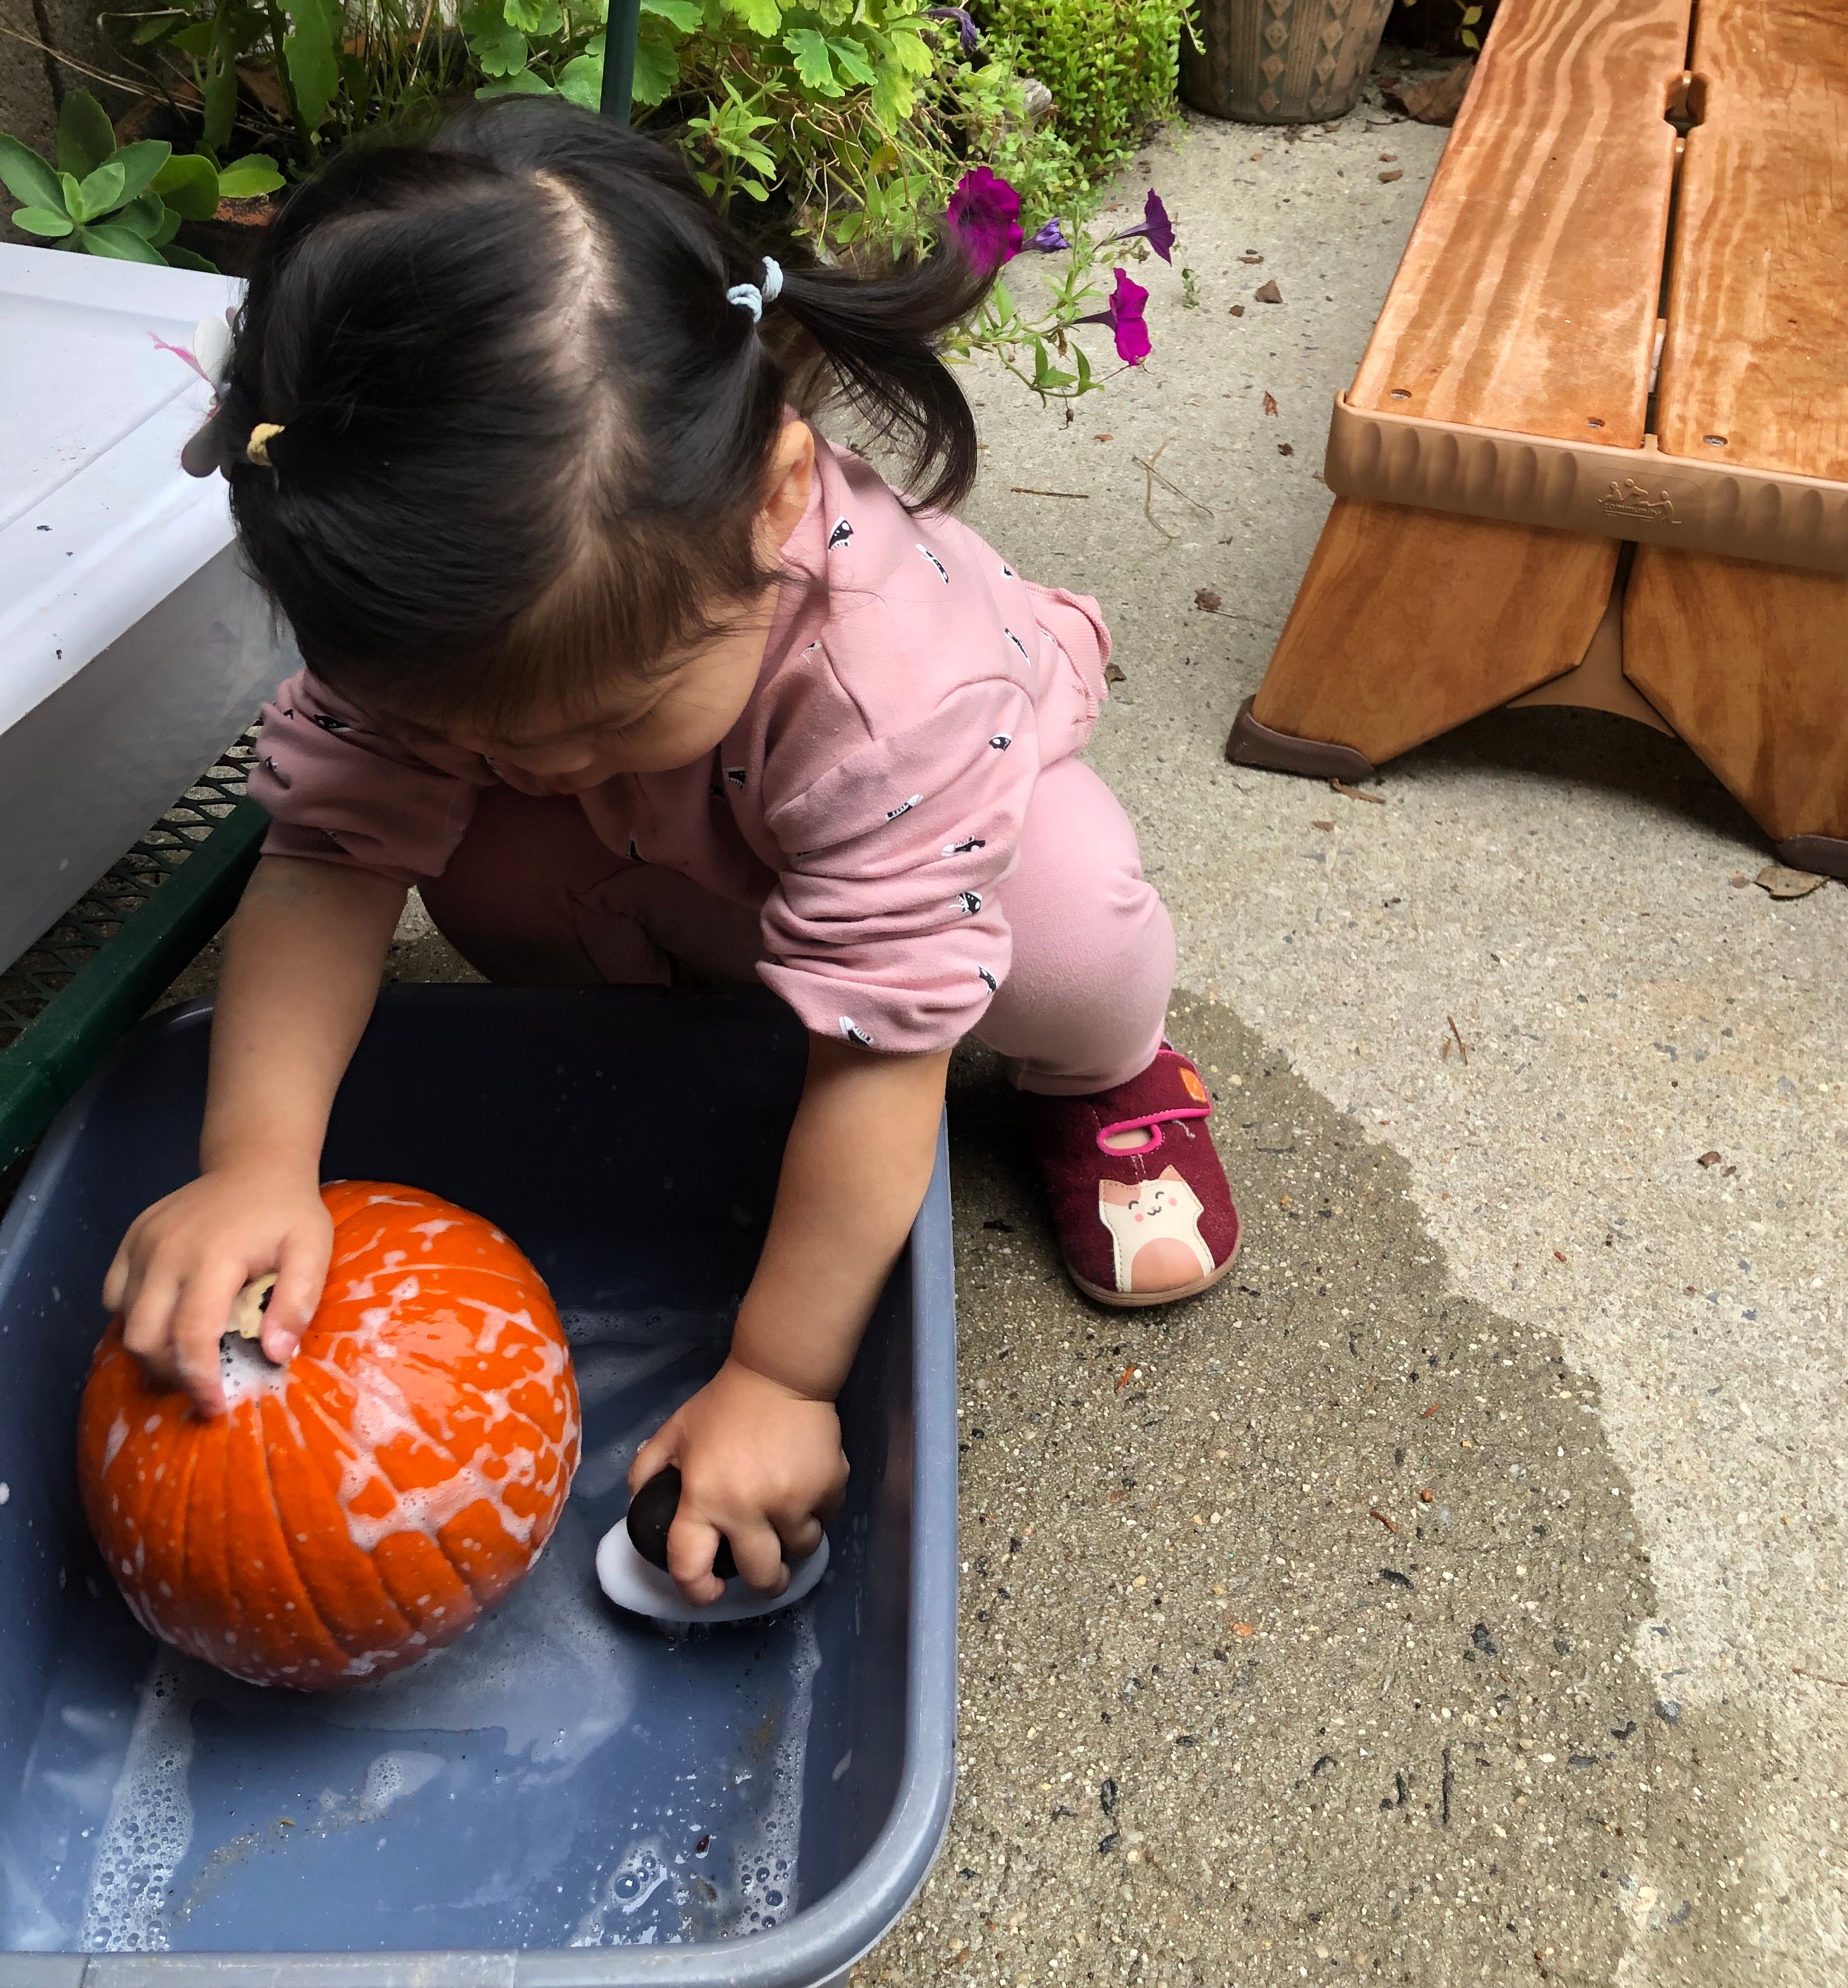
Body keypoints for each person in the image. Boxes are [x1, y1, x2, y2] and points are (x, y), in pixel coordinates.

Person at [103, 99, 1239, 1605]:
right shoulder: (441, 604)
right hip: (694, 834)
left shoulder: (894, 687)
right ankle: (673, 1022)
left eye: (604, 716)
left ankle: (1109, 1075)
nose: (536, 766)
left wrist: (780, 1375)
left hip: (939, 821)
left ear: (776, 498)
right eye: (471, 732)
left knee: (1067, 934)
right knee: (479, 844)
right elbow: (325, 859)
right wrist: (255, 1162)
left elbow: (889, 1048)